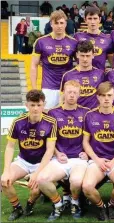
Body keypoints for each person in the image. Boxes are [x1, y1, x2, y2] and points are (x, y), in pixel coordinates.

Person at [37, 81, 90, 221]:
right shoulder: (54, 113)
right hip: (60, 158)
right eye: (69, 92)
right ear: (64, 93)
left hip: (79, 159)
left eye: (74, 92)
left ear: (79, 94)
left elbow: (90, 138)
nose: (71, 95)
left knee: (77, 181)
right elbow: (49, 139)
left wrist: (87, 153)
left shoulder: (86, 113)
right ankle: (57, 203)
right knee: (41, 180)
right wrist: (56, 153)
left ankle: (74, 202)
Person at [1, 90, 57, 221]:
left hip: (43, 163)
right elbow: (9, 147)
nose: (36, 108)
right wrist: (6, 170)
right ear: (26, 105)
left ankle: (30, 204)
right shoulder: (18, 121)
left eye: (39, 105)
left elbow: (50, 151)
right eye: (32, 105)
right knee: (4, 181)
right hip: (24, 161)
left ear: (44, 105)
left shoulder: (51, 122)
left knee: (37, 189)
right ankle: (17, 208)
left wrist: (37, 173)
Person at [81, 82, 114, 221]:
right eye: (103, 96)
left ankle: (112, 206)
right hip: (96, 161)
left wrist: (113, 161)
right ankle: (101, 207)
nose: (106, 99)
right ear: (98, 97)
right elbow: (85, 142)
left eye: (109, 95)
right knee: (87, 187)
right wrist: (96, 159)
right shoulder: (89, 115)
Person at [30, 10, 78, 109]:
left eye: (61, 23)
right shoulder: (41, 41)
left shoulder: (73, 42)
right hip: (48, 88)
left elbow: (80, 64)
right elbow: (34, 65)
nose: (59, 26)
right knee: (47, 118)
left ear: (65, 24)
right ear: (51, 23)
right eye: (56, 23)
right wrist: (34, 88)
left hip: (67, 88)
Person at [61, 40, 105, 109]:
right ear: (77, 55)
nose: (85, 59)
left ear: (93, 55)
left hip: (94, 115)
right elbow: (62, 98)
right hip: (75, 115)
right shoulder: (68, 75)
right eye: (82, 55)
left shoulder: (100, 74)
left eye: (88, 56)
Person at [74, 6, 114, 71]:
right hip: (81, 76)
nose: (92, 22)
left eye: (95, 18)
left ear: (100, 19)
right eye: (90, 18)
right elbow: (75, 56)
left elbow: (111, 61)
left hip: (100, 77)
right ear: (85, 19)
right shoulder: (77, 37)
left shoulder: (107, 39)